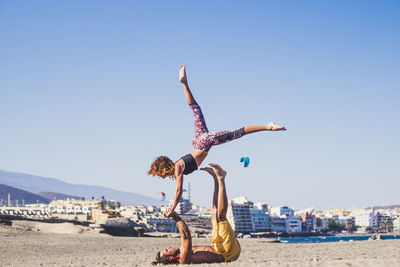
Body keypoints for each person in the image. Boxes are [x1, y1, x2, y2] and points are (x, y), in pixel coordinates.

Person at [148, 65, 286, 215]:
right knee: (195, 109)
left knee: (236, 133)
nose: (160, 176)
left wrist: (172, 208)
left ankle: (268, 126)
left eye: (159, 173)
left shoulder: (177, 167)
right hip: (199, 140)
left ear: (163, 169)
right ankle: (184, 82)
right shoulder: (177, 167)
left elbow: (178, 190)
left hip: (204, 142)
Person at [152, 163, 241, 265]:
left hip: (218, 245)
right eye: (167, 250)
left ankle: (216, 178)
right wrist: (175, 216)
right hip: (227, 252)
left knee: (213, 213)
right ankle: (221, 178)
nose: (168, 247)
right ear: (170, 258)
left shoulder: (181, 251)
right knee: (221, 216)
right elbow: (186, 236)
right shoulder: (183, 258)